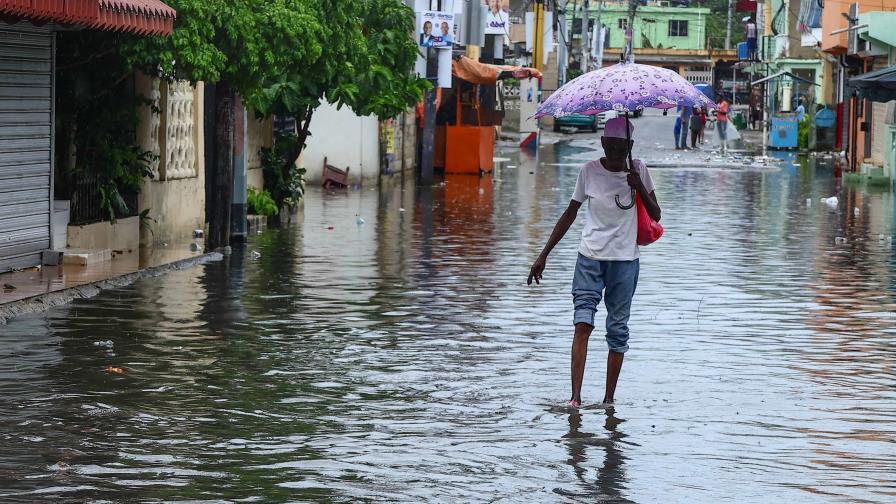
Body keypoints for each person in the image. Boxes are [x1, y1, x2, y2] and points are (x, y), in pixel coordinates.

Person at [527, 117, 662, 408]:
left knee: (617, 330)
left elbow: (656, 214)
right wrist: (543, 255)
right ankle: (575, 398)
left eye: (620, 148)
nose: (614, 154)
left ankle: (608, 401)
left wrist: (638, 185)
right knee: (582, 323)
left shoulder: (639, 169)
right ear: (602, 143)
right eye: (610, 147)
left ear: (629, 146)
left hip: (624, 262)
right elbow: (570, 213)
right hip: (589, 258)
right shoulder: (588, 171)